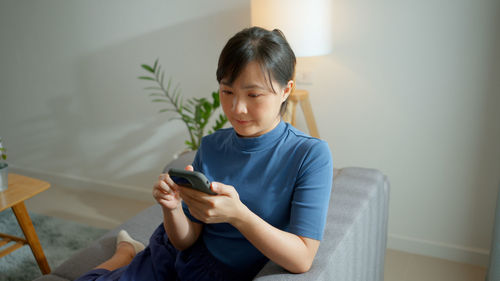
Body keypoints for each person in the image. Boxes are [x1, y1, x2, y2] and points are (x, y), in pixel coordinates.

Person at [76, 26, 333, 281]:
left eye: (253, 94)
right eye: (227, 91)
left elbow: (302, 259)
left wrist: (238, 215)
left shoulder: (309, 155)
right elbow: (185, 241)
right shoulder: (211, 146)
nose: (237, 108)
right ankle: (127, 253)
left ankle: (126, 253)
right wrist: (173, 208)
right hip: (182, 258)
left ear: (286, 90)